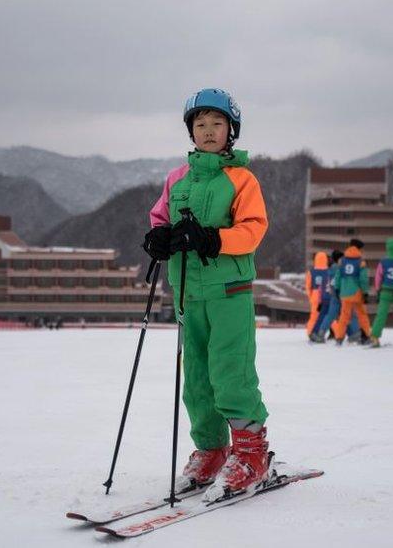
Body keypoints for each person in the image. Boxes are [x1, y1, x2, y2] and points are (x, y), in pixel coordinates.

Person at [142, 88, 270, 500]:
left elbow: (253, 228)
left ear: (231, 130)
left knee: (230, 370)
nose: (209, 131)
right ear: (191, 132)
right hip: (187, 293)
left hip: (228, 290)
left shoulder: (241, 179)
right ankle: (213, 449)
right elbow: (160, 217)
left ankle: (250, 452)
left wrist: (214, 238)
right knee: (196, 378)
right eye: (200, 124)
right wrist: (159, 238)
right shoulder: (176, 179)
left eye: (217, 123)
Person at [310, 250, 360, 343]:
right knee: (349, 314)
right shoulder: (341, 269)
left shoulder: (329, 271)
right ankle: (355, 334)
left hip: (333, 295)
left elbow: (325, 285)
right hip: (343, 295)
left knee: (330, 315)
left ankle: (321, 334)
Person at [331, 239, 374, 345]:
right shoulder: (361, 262)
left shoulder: (342, 261)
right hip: (356, 293)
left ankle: (339, 338)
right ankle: (367, 336)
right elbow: (363, 279)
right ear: (359, 248)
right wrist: (365, 292)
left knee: (344, 316)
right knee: (362, 314)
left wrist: (337, 289)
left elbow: (338, 276)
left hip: (344, 293)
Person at [305, 252, 330, 339]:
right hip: (326, 295)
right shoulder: (328, 272)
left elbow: (308, 286)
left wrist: (310, 297)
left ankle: (311, 333)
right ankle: (335, 333)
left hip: (315, 296)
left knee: (314, 316)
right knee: (328, 316)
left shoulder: (311, 272)